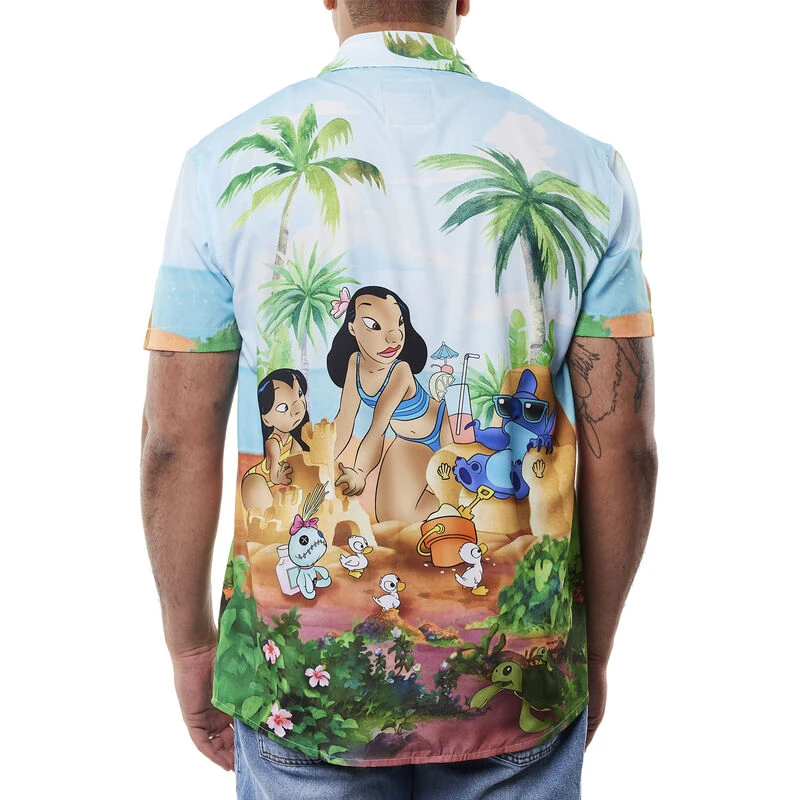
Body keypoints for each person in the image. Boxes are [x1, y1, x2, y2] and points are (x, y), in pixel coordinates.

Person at [141, 1, 657, 797]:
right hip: (517, 681)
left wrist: (190, 648)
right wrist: (589, 653)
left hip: (296, 690)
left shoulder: (219, 166)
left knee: (403, 489)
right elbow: (625, 447)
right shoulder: (588, 169)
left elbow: (173, 441)